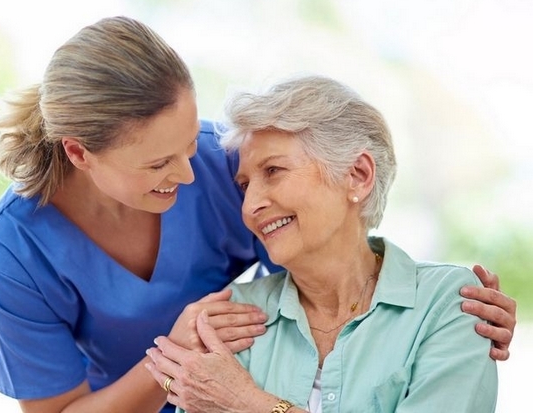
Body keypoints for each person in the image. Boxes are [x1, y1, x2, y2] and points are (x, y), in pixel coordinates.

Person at [0, 16, 514, 413]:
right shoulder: (15, 248)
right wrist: (175, 358)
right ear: (78, 154)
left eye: (190, 143)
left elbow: (331, 243)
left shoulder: (222, 165)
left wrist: (441, 306)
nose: (190, 176)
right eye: (160, 162)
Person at [145, 75, 500, 412]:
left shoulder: (449, 304)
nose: (250, 207)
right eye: (244, 185)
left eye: (273, 171)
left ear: (357, 176)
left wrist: (249, 403)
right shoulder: (233, 318)